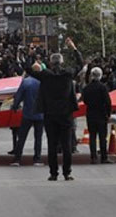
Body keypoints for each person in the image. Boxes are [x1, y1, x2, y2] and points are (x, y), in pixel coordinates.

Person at [30, 38, 84, 181]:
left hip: (50, 114)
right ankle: (67, 172)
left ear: (50, 63)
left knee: (52, 145)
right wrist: (74, 48)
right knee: (67, 145)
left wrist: (32, 55)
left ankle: (53, 173)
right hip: (66, 114)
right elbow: (80, 64)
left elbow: (28, 70)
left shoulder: (45, 75)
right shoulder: (67, 74)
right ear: (61, 62)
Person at [10, 66, 45, 167]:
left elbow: (19, 96)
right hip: (40, 114)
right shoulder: (42, 82)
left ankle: (17, 158)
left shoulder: (26, 82)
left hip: (28, 113)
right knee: (38, 137)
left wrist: (15, 107)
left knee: (22, 137)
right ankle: (37, 158)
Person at [82, 67, 113, 164]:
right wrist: (108, 114)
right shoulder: (103, 87)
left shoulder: (87, 88)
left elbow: (85, 100)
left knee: (92, 136)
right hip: (101, 114)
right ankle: (104, 157)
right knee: (102, 137)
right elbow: (108, 102)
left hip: (91, 113)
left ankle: (93, 157)